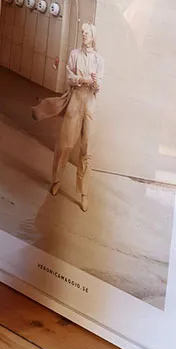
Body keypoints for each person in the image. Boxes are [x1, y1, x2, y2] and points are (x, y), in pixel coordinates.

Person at [33, 22, 104, 212]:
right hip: (75, 100)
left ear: (93, 36)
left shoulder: (99, 60)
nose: (84, 35)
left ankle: (84, 193)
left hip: (90, 103)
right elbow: (69, 78)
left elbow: (99, 86)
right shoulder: (74, 54)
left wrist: (95, 82)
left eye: (87, 33)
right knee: (65, 144)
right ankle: (56, 180)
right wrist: (83, 79)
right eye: (82, 32)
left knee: (87, 149)